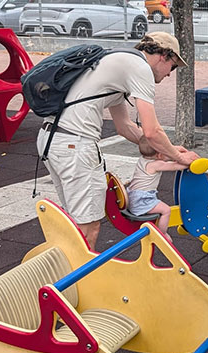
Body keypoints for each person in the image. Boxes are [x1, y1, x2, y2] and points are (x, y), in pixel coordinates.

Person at [37, 32, 198, 250]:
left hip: (53, 140)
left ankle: (64, 276)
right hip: (75, 146)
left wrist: (165, 150)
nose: (170, 74)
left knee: (75, 223)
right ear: (163, 55)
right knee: (88, 227)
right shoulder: (140, 69)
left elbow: (125, 127)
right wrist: (178, 157)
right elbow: (151, 131)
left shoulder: (119, 61)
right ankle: (77, 282)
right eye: (173, 66)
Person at [126, 139, 189, 236]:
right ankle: (162, 235)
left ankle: (161, 233)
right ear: (159, 155)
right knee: (166, 211)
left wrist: (176, 150)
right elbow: (175, 166)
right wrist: (190, 162)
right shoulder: (156, 164)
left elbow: (163, 156)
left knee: (162, 209)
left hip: (132, 196)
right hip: (141, 200)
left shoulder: (143, 159)